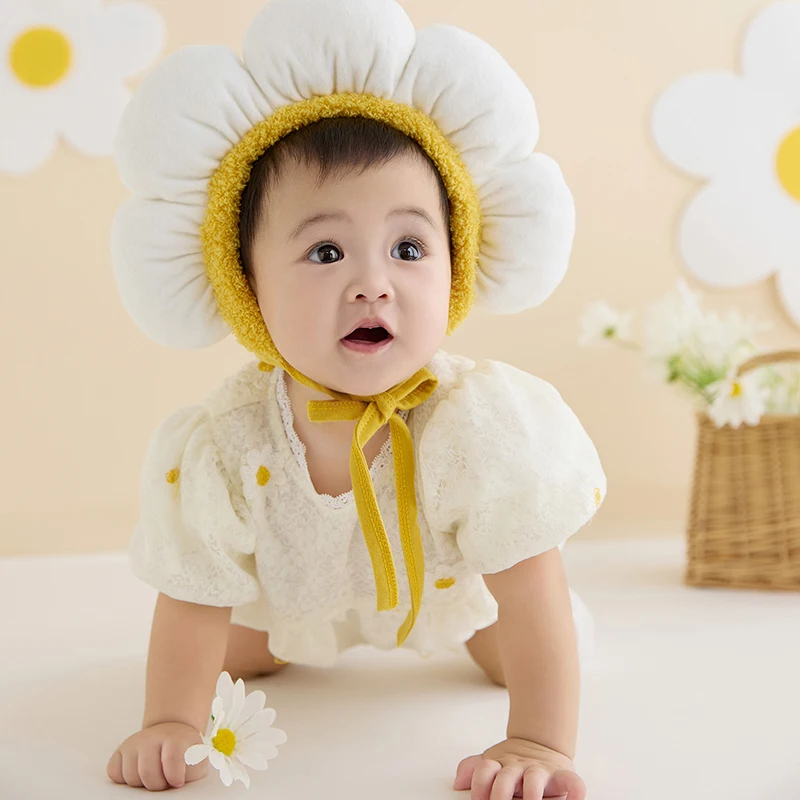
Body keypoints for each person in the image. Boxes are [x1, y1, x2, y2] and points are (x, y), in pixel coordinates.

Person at [105, 0, 605, 796]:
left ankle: (508, 659)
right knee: (240, 650)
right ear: (248, 286)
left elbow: (530, 581)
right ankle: (279, 641)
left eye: (409, 247)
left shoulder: (477, 426)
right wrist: (171, 719)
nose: (373, 282)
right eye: (325, 250)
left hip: (451, 596)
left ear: (457, 265)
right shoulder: (230, 442)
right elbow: (193, 593)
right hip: (293, 596)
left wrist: (540, 742)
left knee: (505, 649)